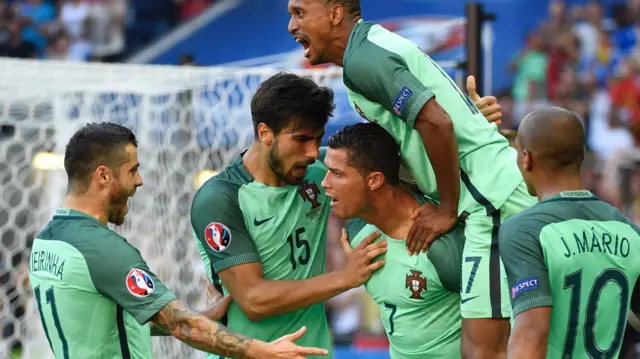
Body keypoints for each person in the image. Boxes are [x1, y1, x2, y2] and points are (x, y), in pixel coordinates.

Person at [190, 72, 501, 359]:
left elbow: (385, 161)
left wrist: (466, 130)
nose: (314, 152)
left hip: (314, 352)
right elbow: (254, 300)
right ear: (265, 132)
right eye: (301, 139)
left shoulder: (315, 170)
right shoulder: (221, 198)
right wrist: (344, 278)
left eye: (318, 138)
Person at [287, 1, 536, 357]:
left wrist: (447, 209)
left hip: (489, 200)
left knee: (489, 350)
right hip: (490, 196)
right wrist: (474, 119)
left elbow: (438, 123)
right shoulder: (371, 49)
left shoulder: (363, 61)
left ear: (335, 13)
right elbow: (428, 129)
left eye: (299, 13)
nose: (291, 26)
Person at [28, 122, 329, 359]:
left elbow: (105, 317)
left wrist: (203, 316)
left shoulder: (47, 242)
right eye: (132, 170)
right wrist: (263, 351)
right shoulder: (102, 248)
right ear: (104, 176)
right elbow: (179, 324)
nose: (139, 181)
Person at [499, 107, 640, 359]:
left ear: (526, 159)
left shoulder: (524, 230)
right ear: (582, 155)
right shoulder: (629, 230)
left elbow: (531, 333)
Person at [322, 123, 465, 359]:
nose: (325, 182)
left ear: (375, 180)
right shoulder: (358, 233)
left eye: (336, 174)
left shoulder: (441, 246)